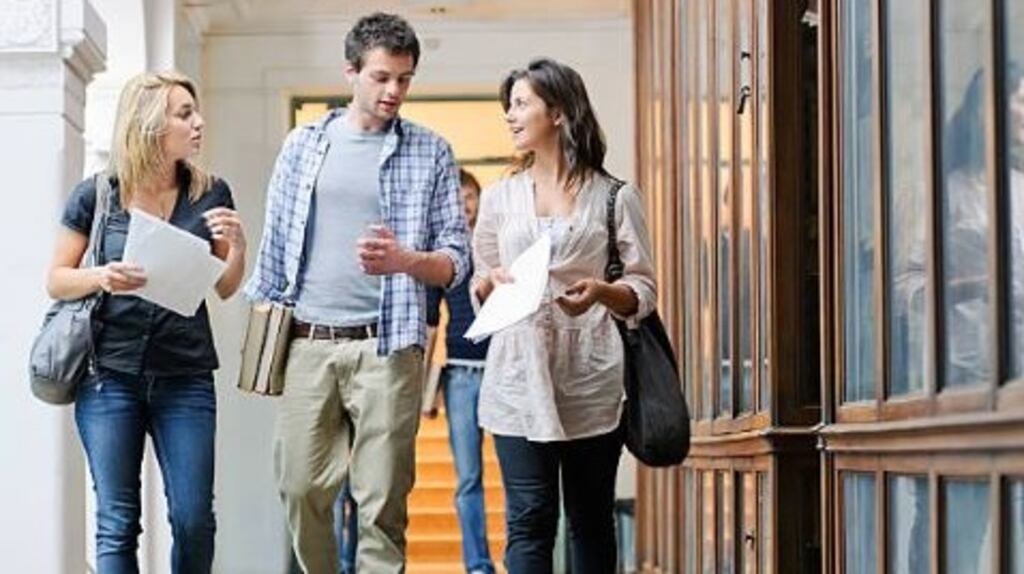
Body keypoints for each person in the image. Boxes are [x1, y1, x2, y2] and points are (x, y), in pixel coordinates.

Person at [243, 12, 470, 574]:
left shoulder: (431, 152)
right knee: (299, 487)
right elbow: (274, 246)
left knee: (382, 504)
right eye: (382, 77)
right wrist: (260, 339)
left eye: (404, 78)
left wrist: (405, 261)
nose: (394, 90)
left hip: (389, 349)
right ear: (351, 72)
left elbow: (456, 262)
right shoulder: (303, 145)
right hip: (308, 345)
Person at [46, 71, 247, 573]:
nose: (198, 122)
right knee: (117, 520)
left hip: (186, 376)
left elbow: (224, 286)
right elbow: (57, 279)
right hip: (108, 375)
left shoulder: (210, 191)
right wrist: (102, 276)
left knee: (195, 518)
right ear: (150, 122)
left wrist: (238, 247)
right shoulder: (98, 194)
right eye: (184, 114)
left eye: (195, 111)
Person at [471, 58, 657, 573]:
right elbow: (482, 275)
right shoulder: (499, 197)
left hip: (591, 374)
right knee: (528, 519)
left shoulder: (614, 195)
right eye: (508, 106)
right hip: (517, 371)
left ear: (558, 112)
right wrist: (488, 284)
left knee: (590, 519)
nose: (510, 115)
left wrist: (600, 291)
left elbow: (643, 289)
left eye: (521, 103)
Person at [423, 168, 495, 574]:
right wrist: (421, 393)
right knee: (468, 477)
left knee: (520, 474)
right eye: (458, 198)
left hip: (501, 371)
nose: (465, 205)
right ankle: (478, 566)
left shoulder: (496, 247)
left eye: (470, 196)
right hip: (460, 376)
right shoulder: (442, 257)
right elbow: (431, 322)